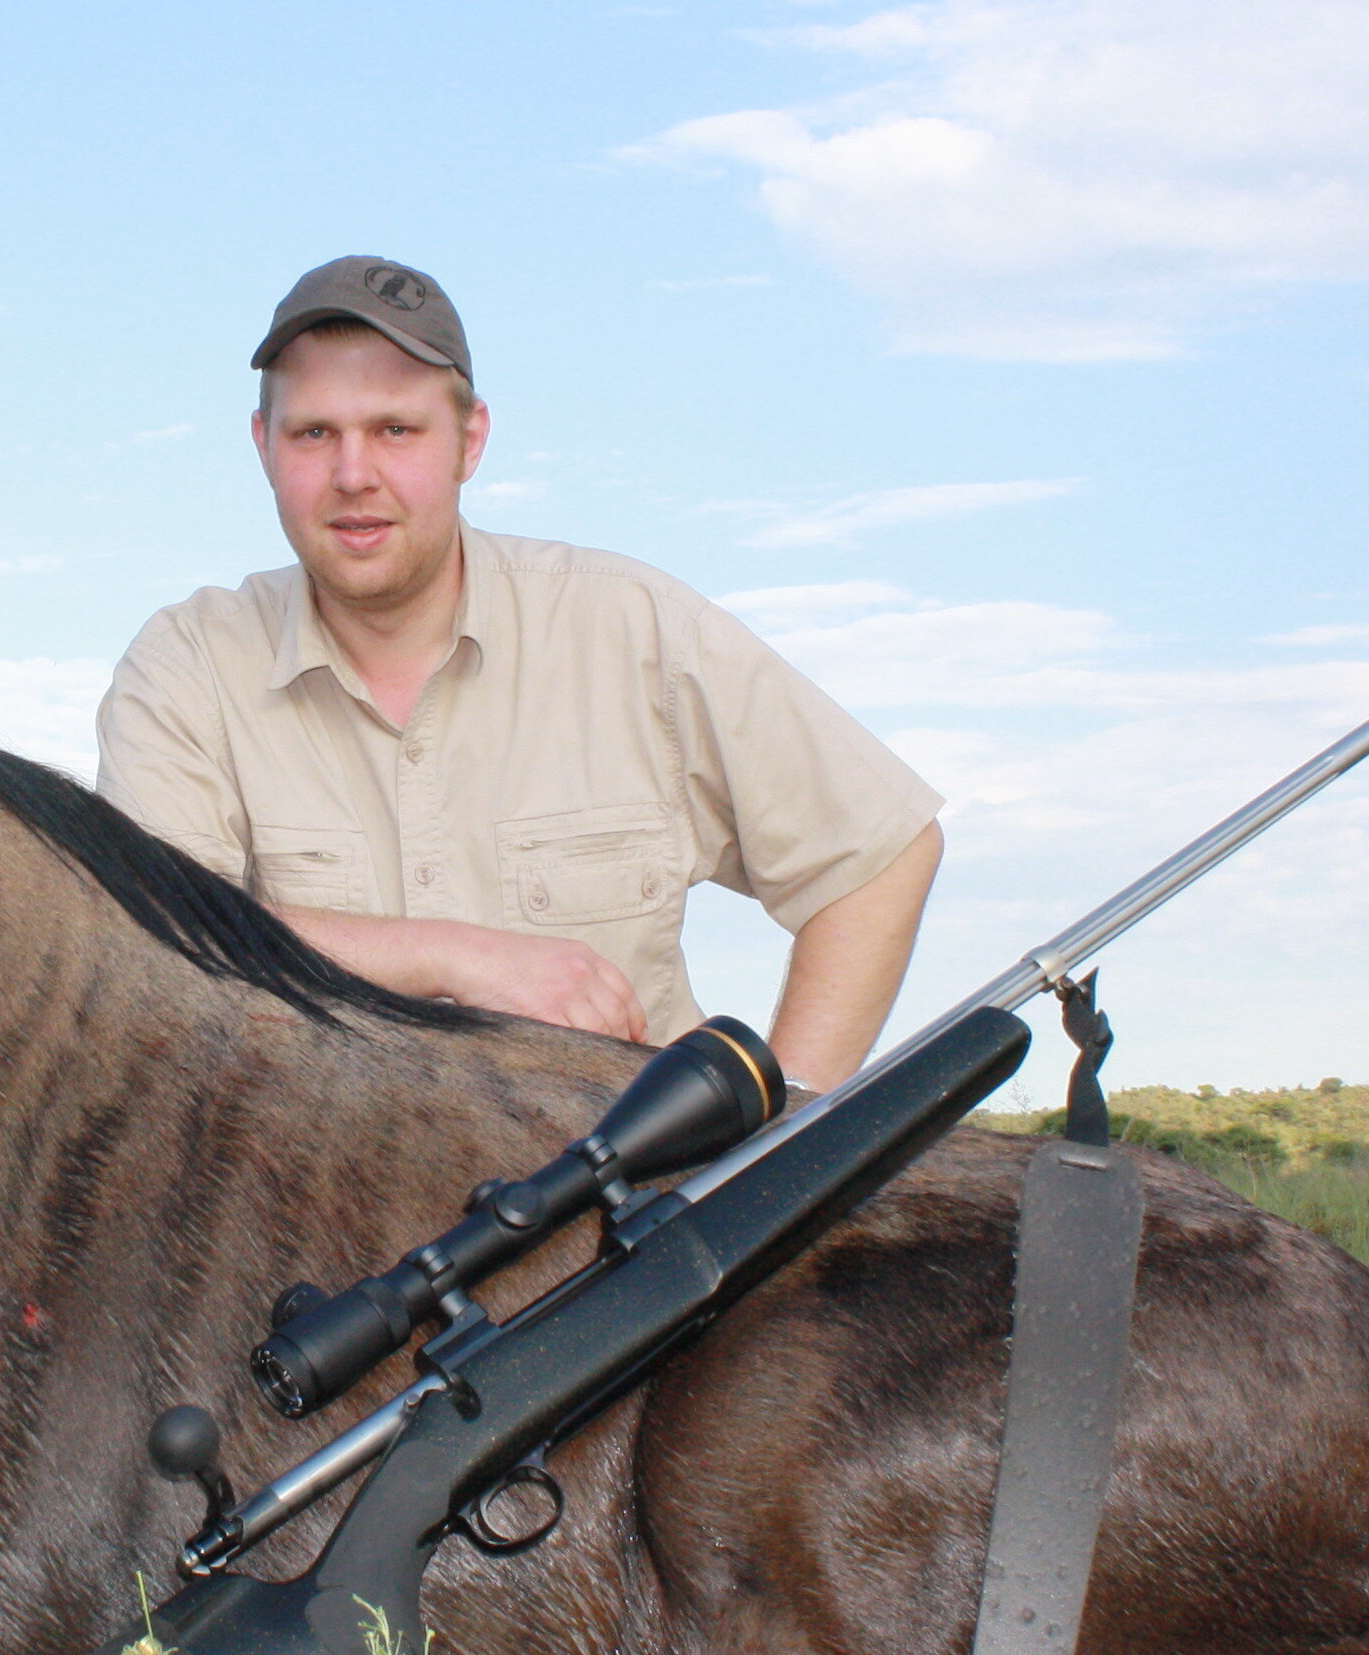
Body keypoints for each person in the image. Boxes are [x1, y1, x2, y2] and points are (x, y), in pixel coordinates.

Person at [94, 257, 942, 1086]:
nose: (354, 475)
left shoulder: (633, 628)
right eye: (314, 433)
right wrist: (450, 956)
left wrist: (779, 1151)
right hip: (314, 1217)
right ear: (263, 446)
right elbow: (157, 943)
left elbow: (880, 852)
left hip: (631, 1208)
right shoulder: (186, 667)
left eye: (396, 429)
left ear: (470, 440)